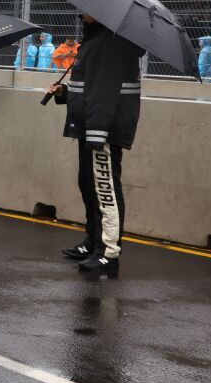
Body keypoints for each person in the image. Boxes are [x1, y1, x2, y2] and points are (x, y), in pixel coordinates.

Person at [45, 15, 145, 276]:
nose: (81, 13)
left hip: (102, 130)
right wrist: (65, 92)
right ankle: (93, 241)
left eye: (87, 9)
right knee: (88, 183)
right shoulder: (96, 40)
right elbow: (89, 88)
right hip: (90, 125)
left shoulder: (108, 43)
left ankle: (108, 252)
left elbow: (103, 94)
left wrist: (98, 135)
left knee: (104, 188)